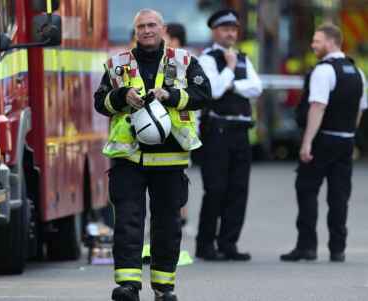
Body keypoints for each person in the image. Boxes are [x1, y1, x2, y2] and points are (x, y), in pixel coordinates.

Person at [94, 9, 211, 301]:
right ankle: (128, 286)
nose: (146, 30)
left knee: (167, 227)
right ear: (135, 32)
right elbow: (100, 102)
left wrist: (170, 95)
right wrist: (122, 97)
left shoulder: (184, 61)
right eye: (141, 27)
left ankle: (163, 287)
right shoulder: (118, 64)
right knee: (127, 223)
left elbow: (203, 94)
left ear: (162, 28)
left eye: (151, 25)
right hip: (128, 157)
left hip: (170, 157)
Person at [281, 23, 367, 262]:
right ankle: (337, 249)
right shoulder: (357, 72)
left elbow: (318, 106)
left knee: (307, 190)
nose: (313, 45)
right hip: (346, 141)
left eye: (317, 41)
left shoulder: (324, 70)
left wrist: (307, 142)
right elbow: (360, 111)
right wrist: (350, 135)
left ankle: (307, 247)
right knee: (339, 196)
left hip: (323, 140)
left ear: (331, 42)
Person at [195, 9, 262, 261]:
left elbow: (256, 88)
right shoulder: (207, 59)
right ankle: (205, 245)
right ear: (215, 31)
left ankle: (229, 243)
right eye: (225, 29)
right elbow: (213, 91)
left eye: (234, 29)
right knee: (215, 189)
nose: (231, 33)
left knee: (238, 190)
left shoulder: (244, 58)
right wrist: (230, 70)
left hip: (241, 132)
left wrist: (233, 83)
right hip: (217, 133)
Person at [164, 23, 189, 227]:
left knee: (179, 176)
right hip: (177, 127)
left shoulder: (177, 62)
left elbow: (172, 88)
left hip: (179, 128)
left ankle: (180, 215)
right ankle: (180, 215)